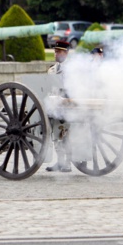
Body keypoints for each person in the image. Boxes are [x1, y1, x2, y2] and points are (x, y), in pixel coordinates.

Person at [46, 40, 72, 172]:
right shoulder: (52, 70)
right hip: (54, 106)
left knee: (66, 135)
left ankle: (68, 163)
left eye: (59, 51)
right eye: (55, 51)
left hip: (68, 106)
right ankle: (60, 161)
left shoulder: (72, 69)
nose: (56, 54)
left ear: (66, 53)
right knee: (55, 136)